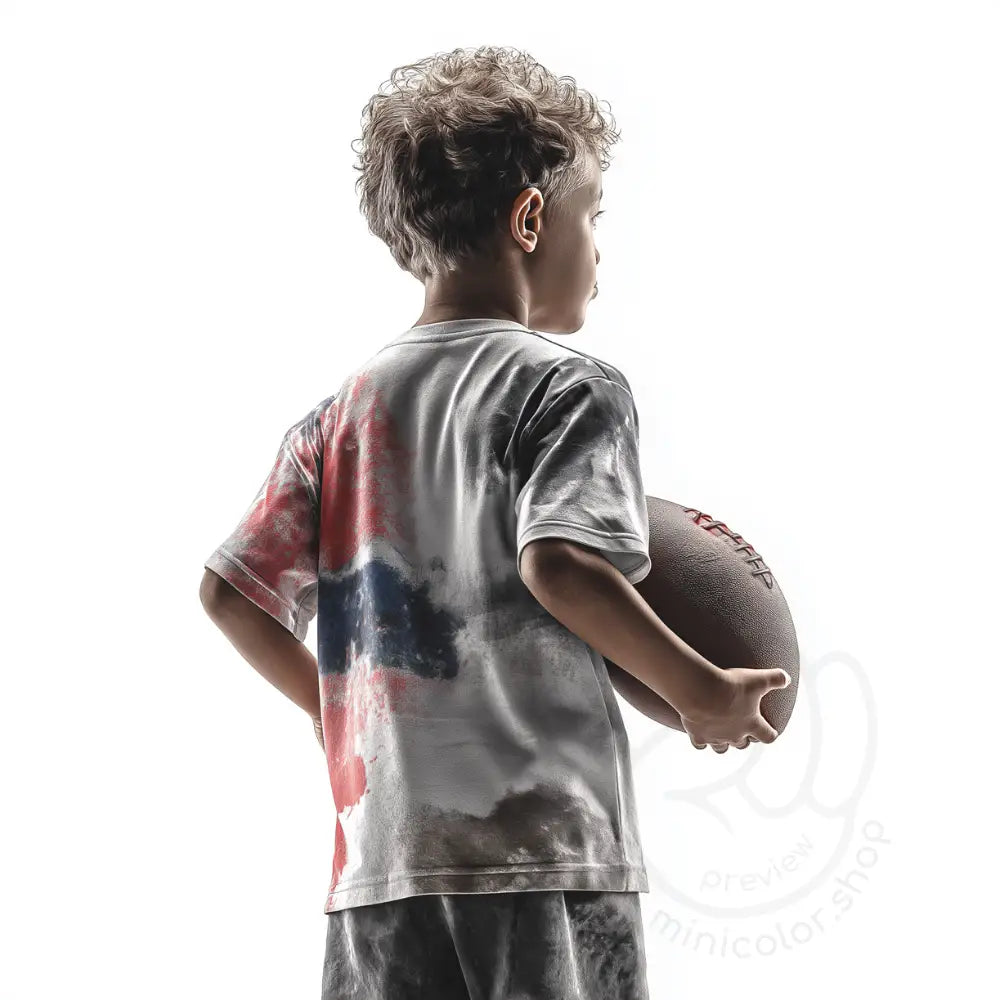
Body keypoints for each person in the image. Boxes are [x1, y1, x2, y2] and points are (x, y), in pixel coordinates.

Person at [200, 44, 785, 1000]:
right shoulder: (567, 385)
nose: (599, 247)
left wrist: (330, 710)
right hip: (541, 854)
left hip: (382, 866)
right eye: (593, 216)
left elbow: (229, 594)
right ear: (530, 219)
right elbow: (561, 563)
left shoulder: (338, 417)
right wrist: (700, 689)